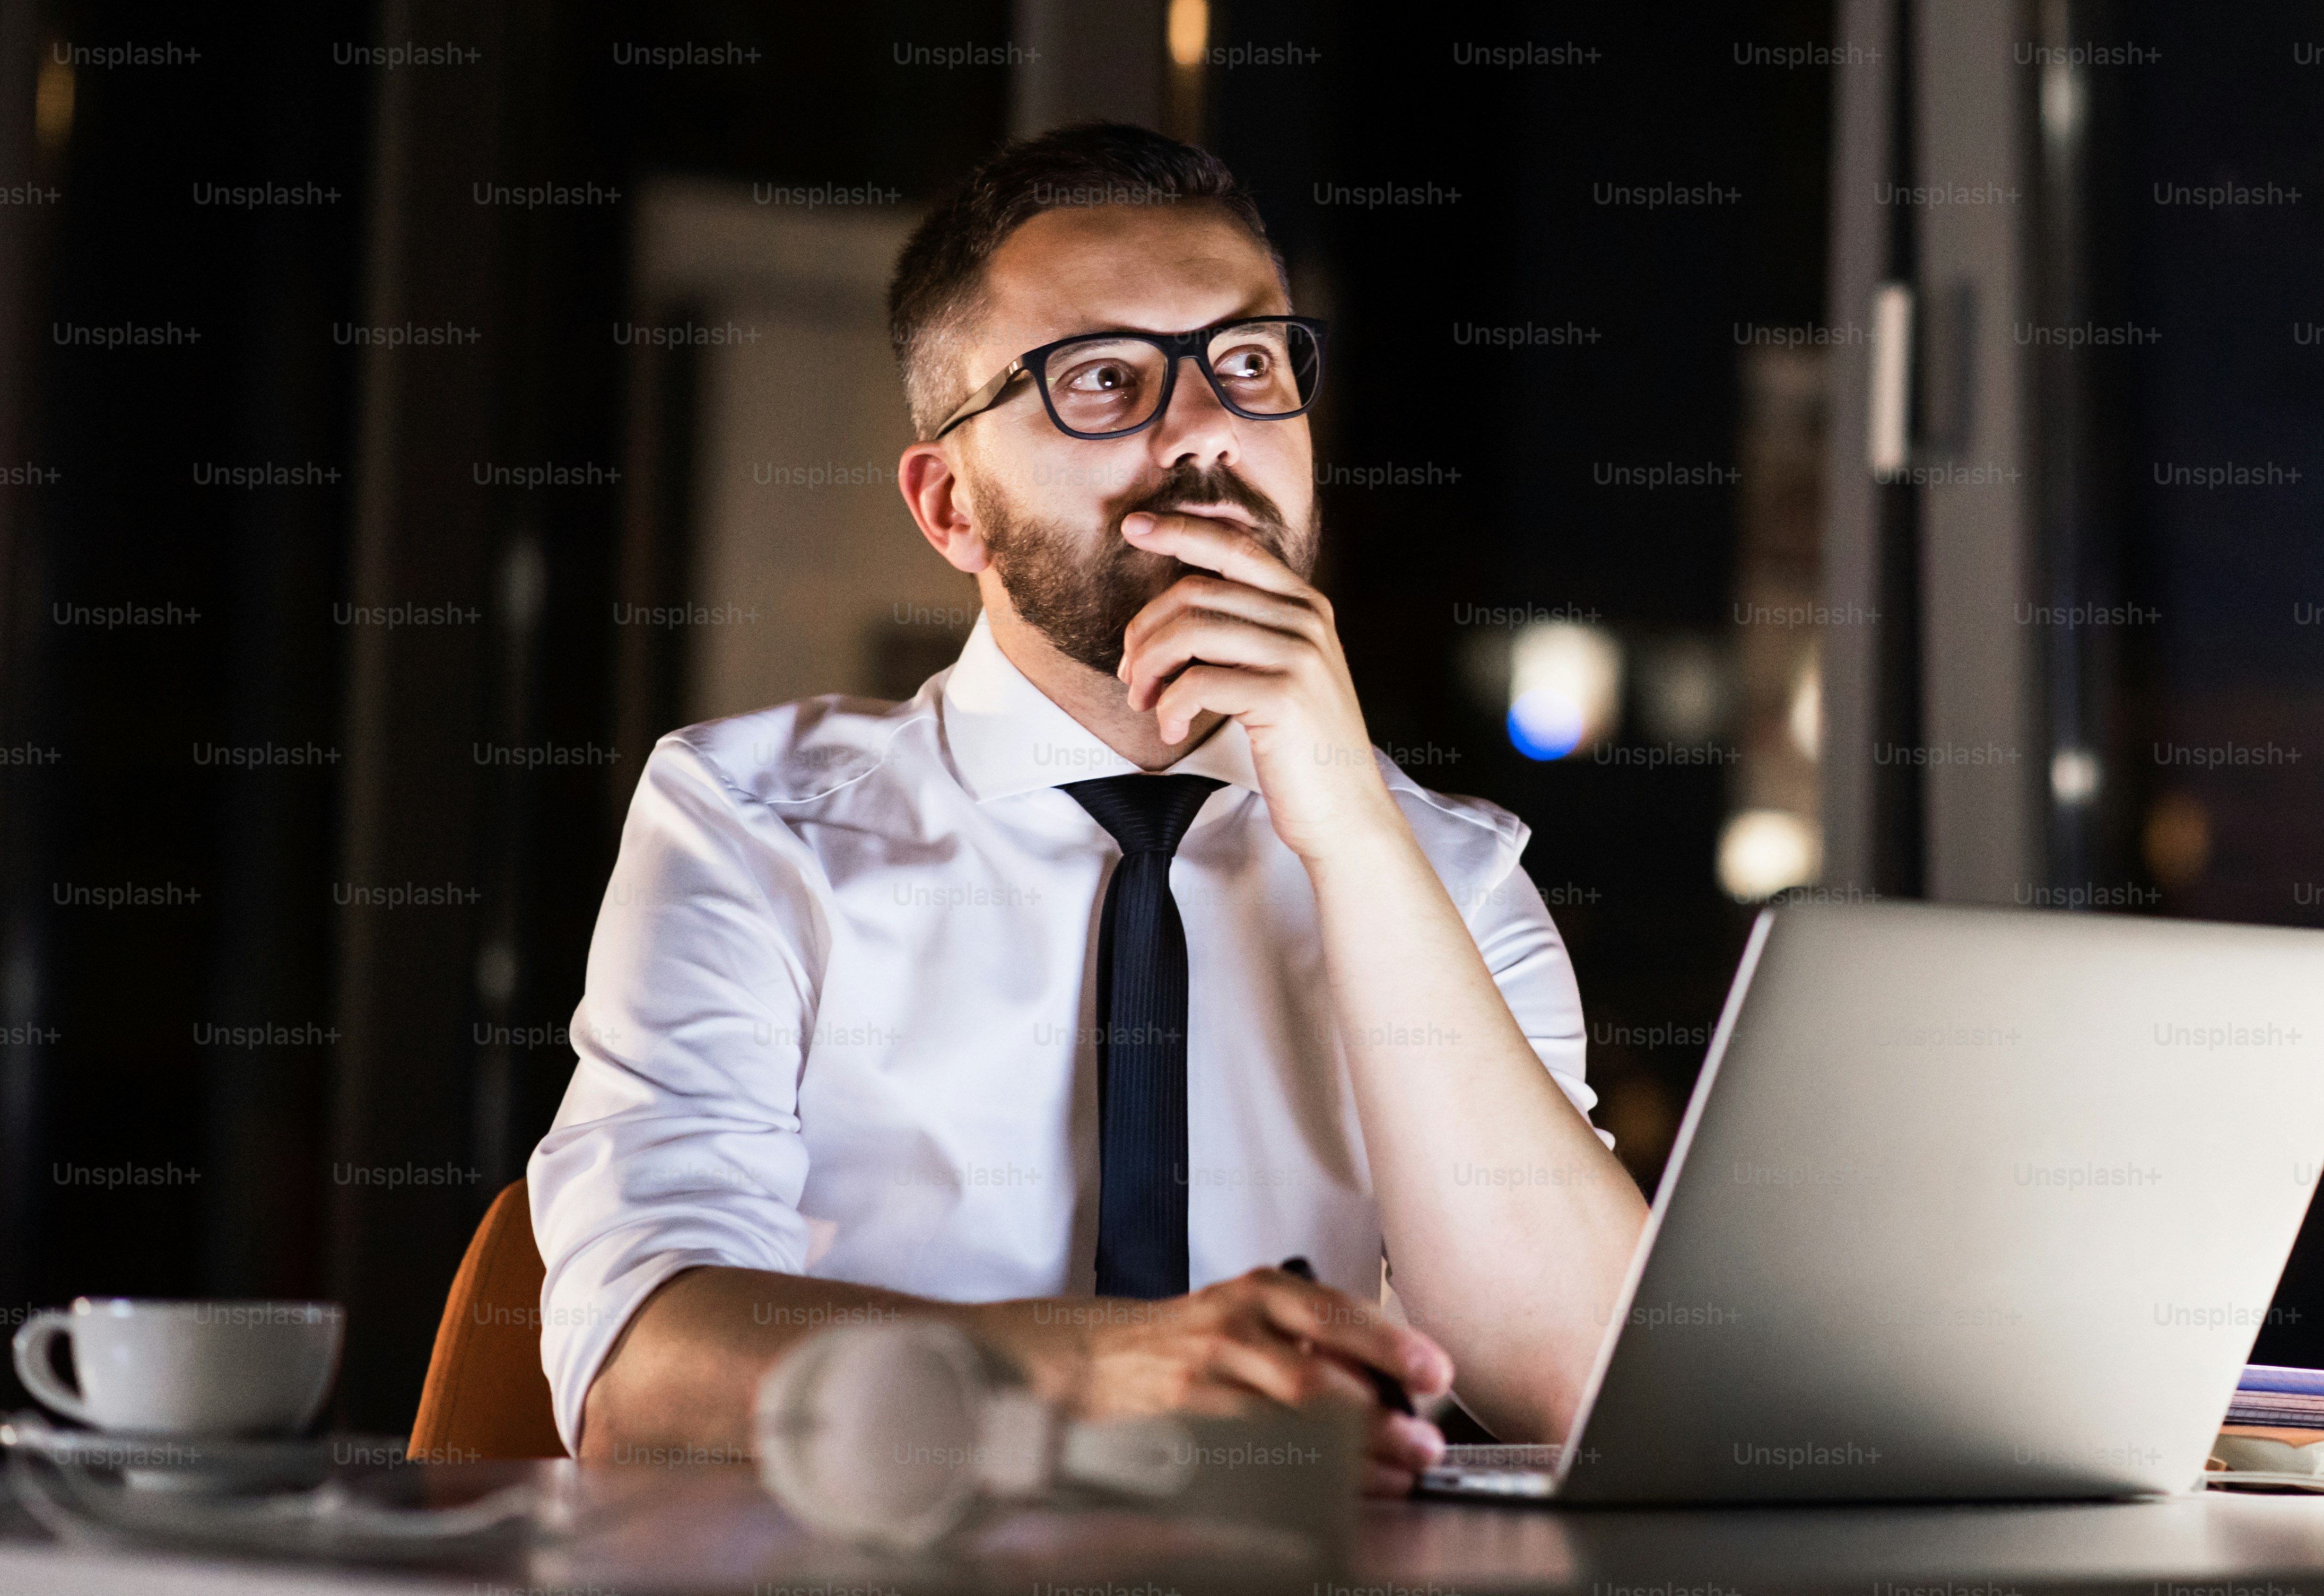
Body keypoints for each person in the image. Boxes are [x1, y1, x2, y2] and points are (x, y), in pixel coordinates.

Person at [527, 121, 1648, 1495]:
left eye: (1247, 364)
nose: (1205, 433)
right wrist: (1084, 1376)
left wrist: (1355, 833)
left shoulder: (1454, 873)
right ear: (952, 507)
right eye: (1103, 380)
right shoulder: (750, 821)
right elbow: (642, 1375)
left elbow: (1581, 1379)